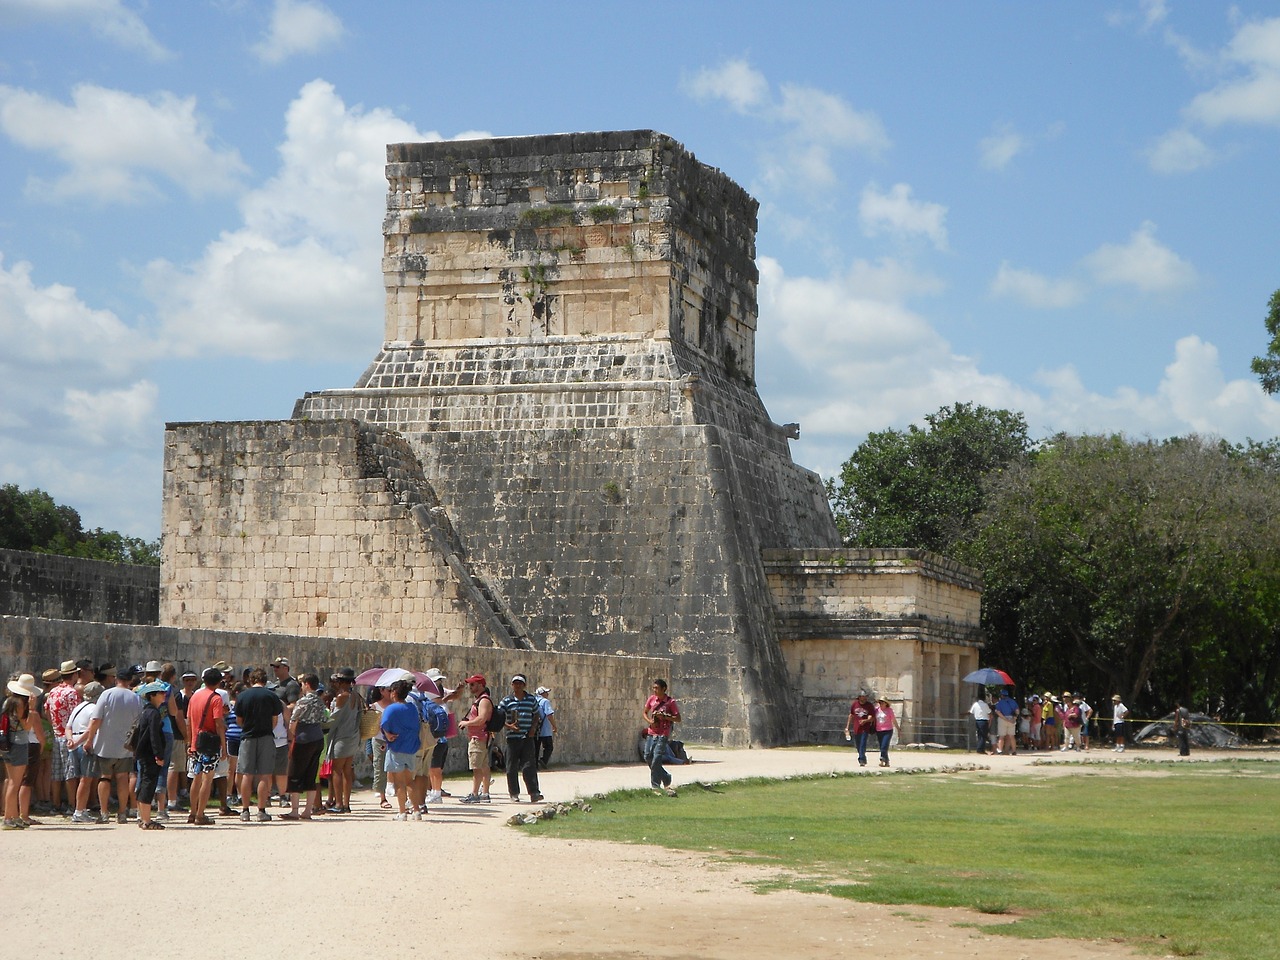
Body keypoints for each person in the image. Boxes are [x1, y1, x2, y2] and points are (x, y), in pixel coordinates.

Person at [95, 665, 143, 824]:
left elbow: (97, 719)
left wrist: (89, 740)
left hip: (105, 744)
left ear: (116, 679)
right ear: (130, 680)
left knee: (105, 778)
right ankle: (122, 812)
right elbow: (139, 722)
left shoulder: (106, 694)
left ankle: (104, 812)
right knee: (123, 778)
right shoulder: (135, 697)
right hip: (126, 745)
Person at [235, 668, 283, 822]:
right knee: (264, 774)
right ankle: (261, 810)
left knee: (247, 775)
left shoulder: (242, 696)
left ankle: (245, 810)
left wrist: (247, 728)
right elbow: (275, 719)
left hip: (248, 736)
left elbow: (239, 720)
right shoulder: (271, 696)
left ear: (251, 680)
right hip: (266, 736)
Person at [282, 674, 326, 819]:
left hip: (303, 738)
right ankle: (307, 810)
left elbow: (293, 721)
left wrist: (292, 735)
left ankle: (294, 810)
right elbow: (324, 719)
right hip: (318, 737)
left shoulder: (303, 702)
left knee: (295, 773)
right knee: (311, 774)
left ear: (307, 684)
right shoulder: (320, 701)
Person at [186, 667, 226, 825]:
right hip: (209, 744)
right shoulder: (216, 698)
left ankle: (192, 812)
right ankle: (200, 814)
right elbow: (218, 723)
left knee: (196, 778)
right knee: (207, 779)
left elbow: (188, 721)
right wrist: (223, 745)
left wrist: (190, 742)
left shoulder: (194, 696)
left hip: (196, 742)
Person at [2, 673, 42, 829]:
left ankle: (11, 816)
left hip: (7, 743)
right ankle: (8, 818)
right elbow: (26, 726)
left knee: (11, 781)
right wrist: (32, 709)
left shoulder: (8, 702)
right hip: (18, 743)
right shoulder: (20, 704)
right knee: (15, 783)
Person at [380, 679, 422, 820]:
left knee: (399, 783)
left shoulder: (391, 708)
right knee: (410, 780)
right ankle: (416, 810)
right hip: (410, 747)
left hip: (397, 747)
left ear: (395, 693)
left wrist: (387, 735)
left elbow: (384, 724)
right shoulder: (412, 708)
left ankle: (402, 811)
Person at [498, 674, 543, 803]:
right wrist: (509, 726)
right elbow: (499, 717)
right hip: (512, 738)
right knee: (511, 767)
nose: (517, 685)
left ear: (524, 685)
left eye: (520, 683)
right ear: (512, 685)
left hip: (527, 737)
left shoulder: (531, 699)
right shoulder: (506, 701)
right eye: (515, 683)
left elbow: (536, 714)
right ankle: (514, 793)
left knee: (529, 766)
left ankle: (534, 792)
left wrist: (533, 729)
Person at [43, 659, 81, 817]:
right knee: (70, 772)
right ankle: (72, 804)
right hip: (68, 736)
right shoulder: (72, 693)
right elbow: (76, 715)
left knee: (56, 773)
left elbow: (46, 711)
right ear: (75, 675)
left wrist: (54, 726)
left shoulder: (53, 691)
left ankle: (55, 804)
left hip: (57, 734)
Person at [65, 681, 105, 823]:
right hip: (85, 743)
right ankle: (79, 811)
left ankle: (77, 808)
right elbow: (91, 729)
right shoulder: (95, 709)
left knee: (75, 777)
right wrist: (79, 741)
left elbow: (68, 726)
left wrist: (71, 740)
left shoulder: (78, 707)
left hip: (74, 742)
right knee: (86, 779)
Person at [324, 667, 361, 814]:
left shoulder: (342, 696)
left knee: (336, 770)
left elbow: (335, 718)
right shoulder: (356, 696)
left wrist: (324, 726)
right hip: (352, 735)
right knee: (347, 770)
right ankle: (346, 803)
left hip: (341, 737)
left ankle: (338, 803)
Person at [133, 682, 168, 830]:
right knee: (148, 784)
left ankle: (143, 818)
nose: (163, 695)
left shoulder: (146, 711)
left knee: (144, 784)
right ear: (152, 695)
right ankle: (147, 820)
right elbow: (154, 735)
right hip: (149, 754)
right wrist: (158, 755)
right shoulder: (153, 713)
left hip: (143, 753)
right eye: (160, 693)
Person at [456, 674, 494, 804]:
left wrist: (466, 723)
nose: (470, 687)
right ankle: (485, 793)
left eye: (473, 684)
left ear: (481, 685)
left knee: (476, 767)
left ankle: (475, 794)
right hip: (481, 737)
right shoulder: (481, 700)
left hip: (478, 737)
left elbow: (481, 719)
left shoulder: (483, 701)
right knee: (484, 766)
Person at [642, 678, 681, 797]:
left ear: (664, 689)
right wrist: (650, 721)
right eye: (654, 688)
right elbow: (645, 712)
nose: (655, 690)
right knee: (648, 756)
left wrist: (665, 717)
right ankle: (665, 776)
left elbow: (678, 718)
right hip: (652, 731)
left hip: (663, 733)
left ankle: (655, 785)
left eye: (657, 688)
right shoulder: (652, 699)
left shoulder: (670, 702)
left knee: (657, 757)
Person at [844, 691, 875, 767]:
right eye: (863, 696)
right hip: (856, 728)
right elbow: (851, 715)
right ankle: (862, 756)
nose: (864, 698)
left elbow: (872, 717)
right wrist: (847, 727)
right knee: (858, 745)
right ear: (859, 697)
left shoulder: (869, 706)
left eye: (865, 697)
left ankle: (861, 759)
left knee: (862, 743)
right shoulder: (855, 704)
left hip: (865, 728)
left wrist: (866, 721)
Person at [532, 685, 557, 769]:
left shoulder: (533, 701)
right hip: (545, 730)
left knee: (535, 748)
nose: (547, 694)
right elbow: (549, 715)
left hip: (535, 730)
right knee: (549, 747)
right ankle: (543, 761)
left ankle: (534, 765)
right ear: (542, 693)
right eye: (546, 692)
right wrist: (554, 726)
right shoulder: (545, 701)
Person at [873, 697, 900, 767]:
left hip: (887, 730)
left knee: (884, 746)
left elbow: (893, 720)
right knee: (882, 747)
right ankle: (887, 761)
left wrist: (898, 728)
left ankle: (882, 761)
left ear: (885, 703)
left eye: (882, 702)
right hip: (879, 730)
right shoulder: (876, 710)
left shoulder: (889, 710)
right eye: (880, 702)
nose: (881, 704)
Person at [993, 688, 1018, 755]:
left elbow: (998, 712)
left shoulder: (1000, 703)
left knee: (1001, 736)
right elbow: (1017, 711)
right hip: (1012, 719)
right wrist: (1014, 718)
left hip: (1002, 719)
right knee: (1012, 736)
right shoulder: (1013, 701)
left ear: (1002, 695)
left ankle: (1000, 750)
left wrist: (1005, 719)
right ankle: (1014, 750)